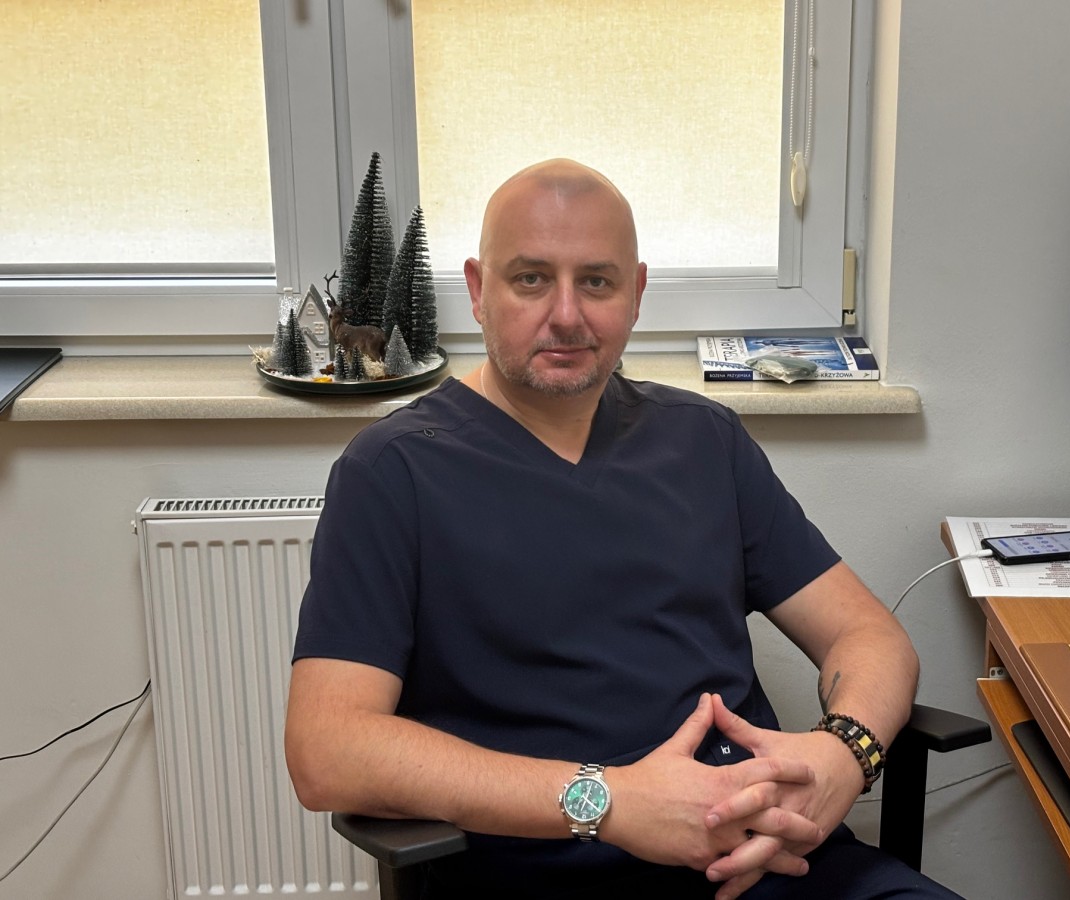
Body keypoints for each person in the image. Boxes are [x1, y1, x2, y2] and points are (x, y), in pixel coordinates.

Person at [285, 159, 959, 899]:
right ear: (478, 291)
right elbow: (328, 749)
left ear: (636, 294)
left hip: (770, 863)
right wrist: (608, 801)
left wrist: (844, 753)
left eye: (597, 282)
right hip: (544, 876)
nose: (566, 314)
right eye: (531, 279)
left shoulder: (703, 441)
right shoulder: (393, 472)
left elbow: (869, 637)